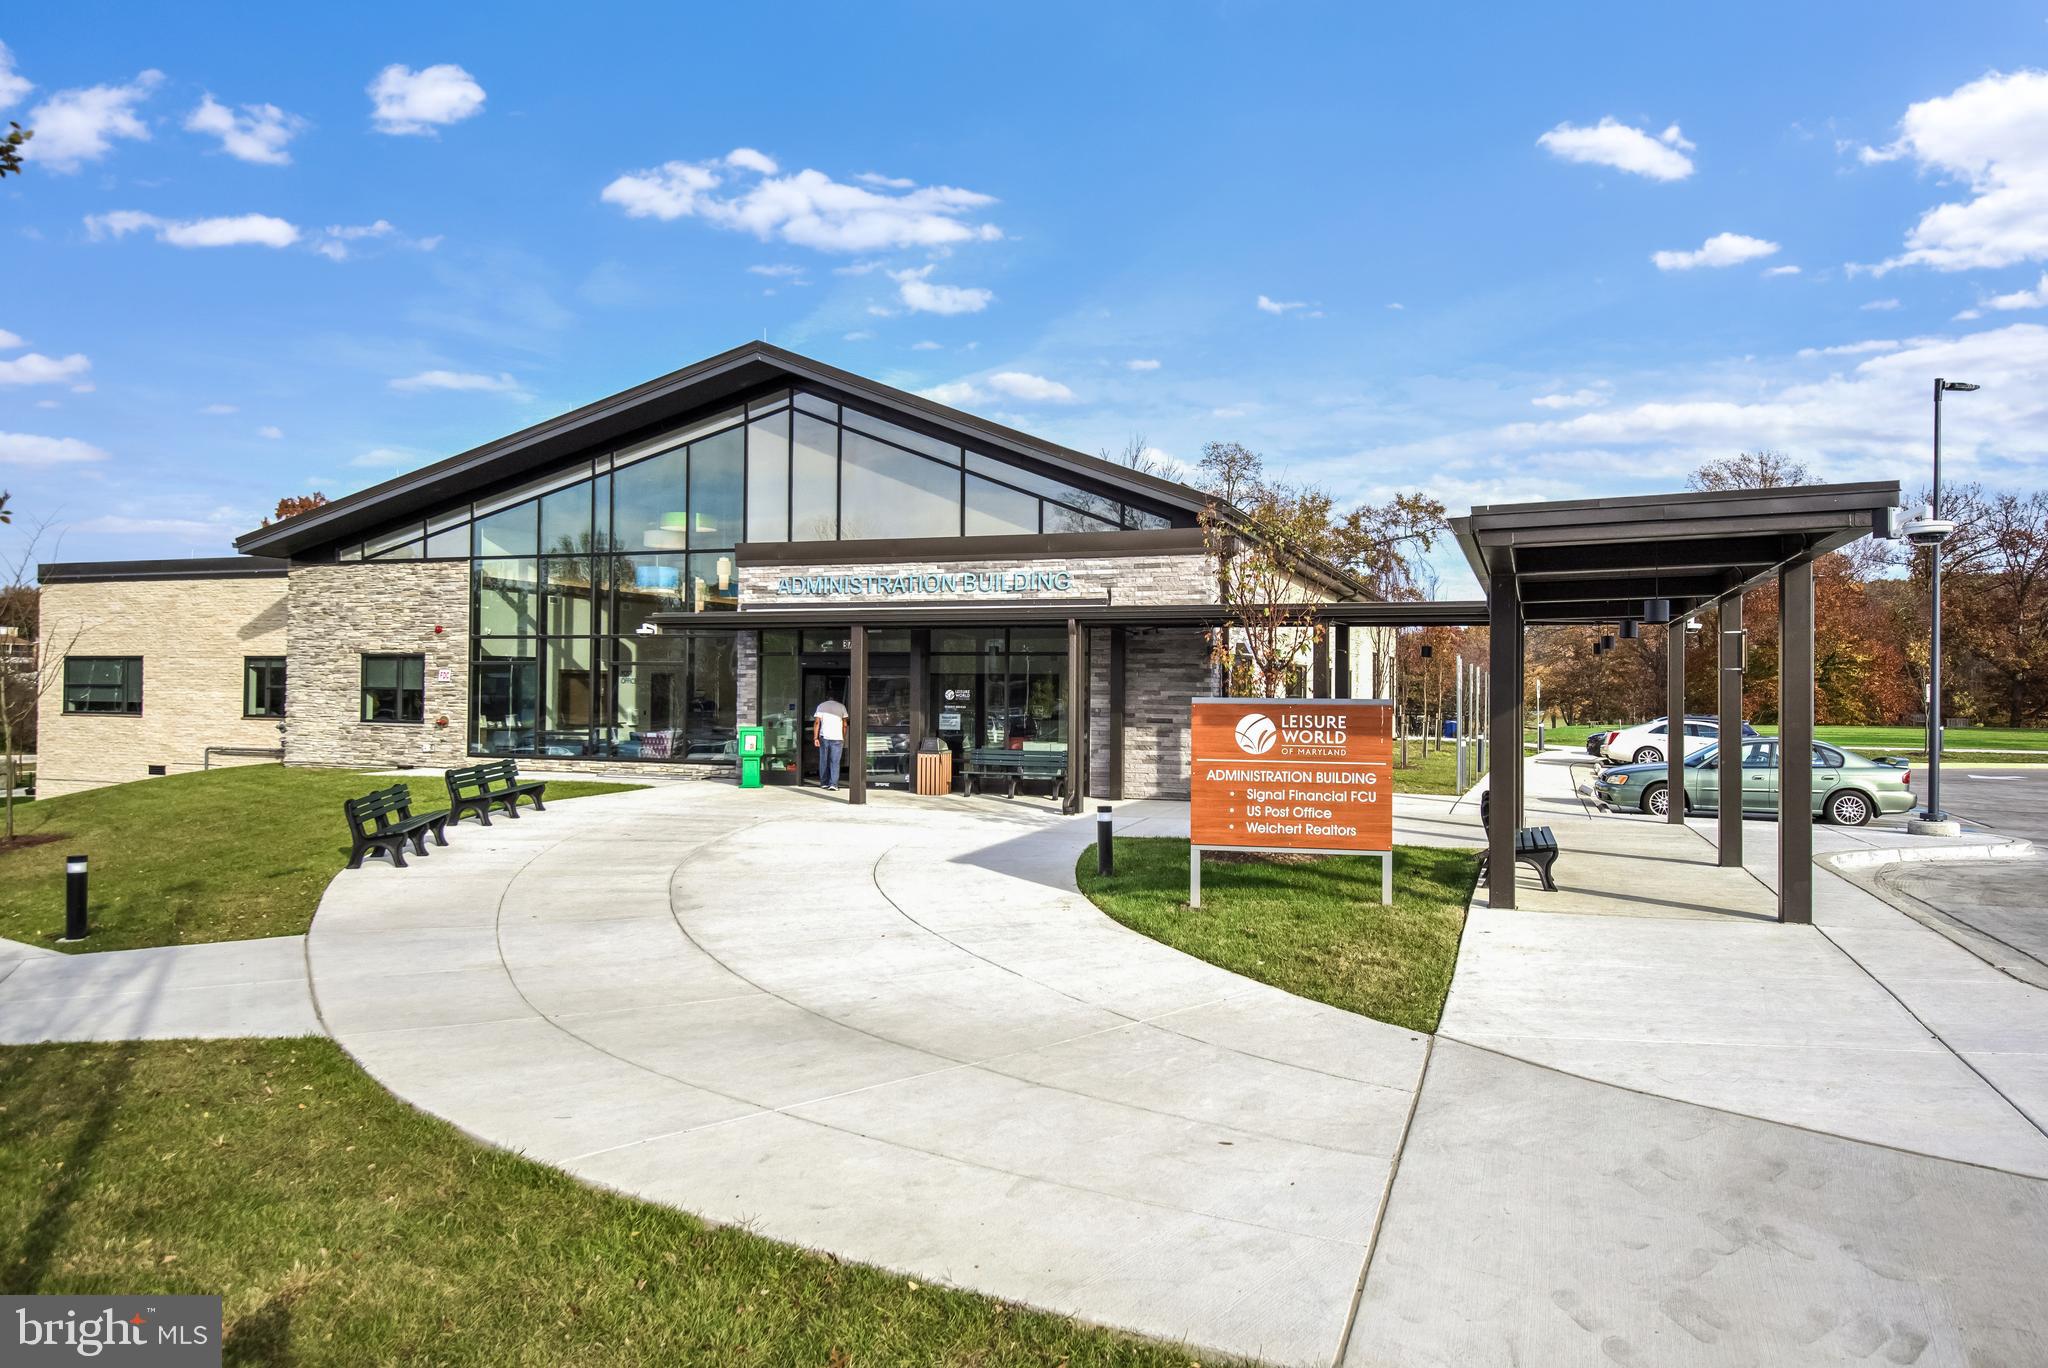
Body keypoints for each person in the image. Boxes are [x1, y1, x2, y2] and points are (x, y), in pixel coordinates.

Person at [813, 694, 849, 791]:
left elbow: (817, 722)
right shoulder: (841, 706)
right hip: (837, 737)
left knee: (823, 760)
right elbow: (845, 724)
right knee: (835, 762)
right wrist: (843, 736)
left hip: (824, 737)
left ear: (827, 698)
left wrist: (815, 738)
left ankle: (824, 783)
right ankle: (833, 784)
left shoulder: (821, 706)